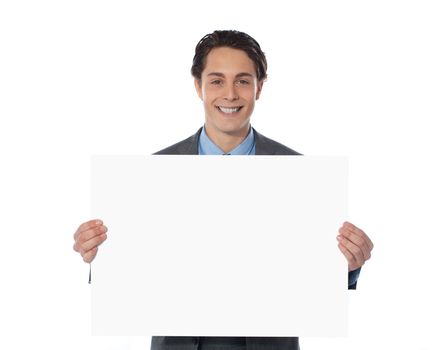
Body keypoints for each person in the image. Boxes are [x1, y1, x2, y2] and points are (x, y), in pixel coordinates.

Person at [73, 30, 374, 350]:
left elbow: (312, 282)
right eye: (217, 80)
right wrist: (100, 256)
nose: (230, 94)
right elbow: (129, 281)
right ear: (197, 86)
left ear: (259, 88)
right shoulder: (152, 174)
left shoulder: (300, 175)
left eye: (242, 81)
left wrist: (349, 266)